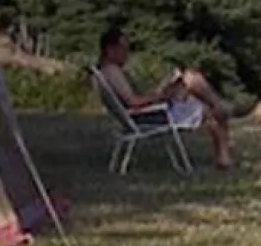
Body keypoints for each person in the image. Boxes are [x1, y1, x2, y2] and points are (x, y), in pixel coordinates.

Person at [96, 26, 237, 169]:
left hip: (146, 114)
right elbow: (134, 102)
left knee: (192, 84)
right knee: (194, 82)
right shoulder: (112, 72)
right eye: (123, 49)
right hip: (151, 116)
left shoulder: (108, 71)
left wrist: (162, 91)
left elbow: (134, 100)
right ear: (110, 50)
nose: (127, 54)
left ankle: (224, 155)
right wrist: (162, 96)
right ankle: (223, 114)